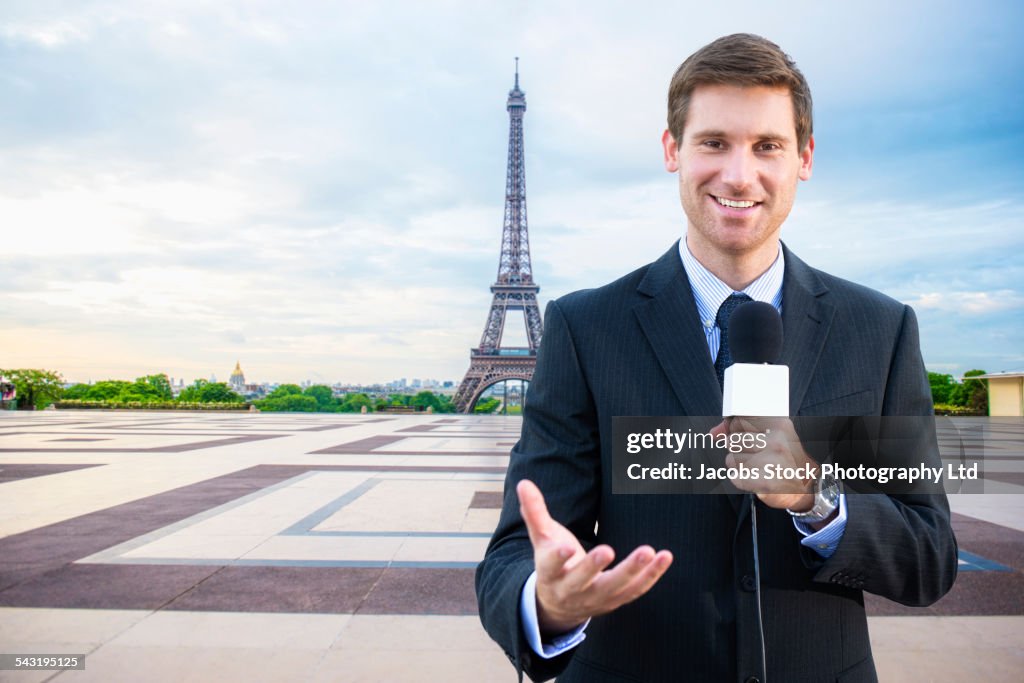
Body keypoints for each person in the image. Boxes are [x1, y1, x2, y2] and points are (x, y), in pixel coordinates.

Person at [475, 33, 958, 682]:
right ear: (672, 150)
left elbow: (930, 556)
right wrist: (548, 600)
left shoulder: (880, 329)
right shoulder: (586, 328)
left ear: (804, 158)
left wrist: (816, 495)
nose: (739, 174)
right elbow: (514, 555)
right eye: (713, 142)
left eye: (767, 146)